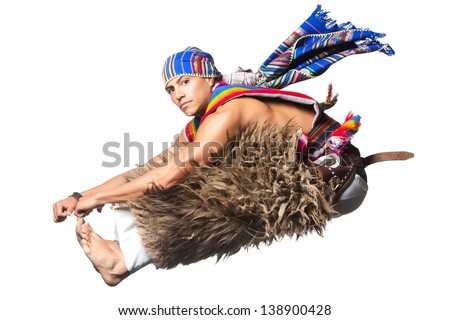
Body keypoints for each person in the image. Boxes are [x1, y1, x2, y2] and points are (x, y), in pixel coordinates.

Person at [53, 5, 413, 286]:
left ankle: (121, 262)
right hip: (303, 173)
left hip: (339, 181)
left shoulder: (229, 112)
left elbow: (171, 176)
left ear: (208, 77)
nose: (178, 93)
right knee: (157, 174)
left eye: (184, 81)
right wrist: (82, 193)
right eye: (170, 89)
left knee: (215, 190)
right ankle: (121, 254)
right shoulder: (200, 123)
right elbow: (151, 169)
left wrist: (97, 200)